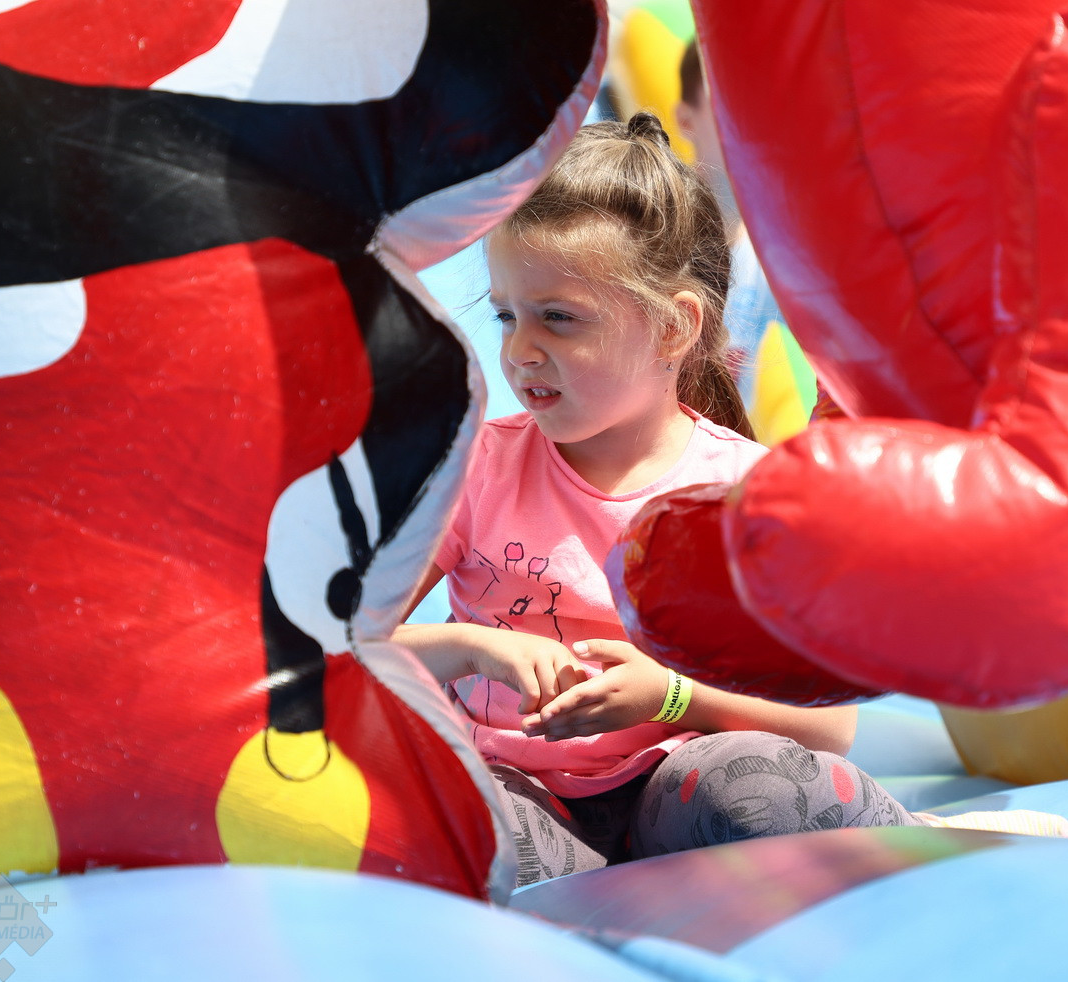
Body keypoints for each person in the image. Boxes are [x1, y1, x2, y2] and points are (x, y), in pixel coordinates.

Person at [396, 113, 936, 889]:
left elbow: (828, 723)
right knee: (440, 812)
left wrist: (671, 697)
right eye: (507, 315)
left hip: (679, 797)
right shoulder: (473, 465)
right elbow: (345, 646)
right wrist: (476, 649)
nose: (519, 350)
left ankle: (935, 845)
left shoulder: (743, 490)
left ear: (673, 327)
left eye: (559, 318)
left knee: (764, 784)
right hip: (527, 798)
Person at [674, 39, 811, 426]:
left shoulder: (773, 256)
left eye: (758, 100)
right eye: (727, 99)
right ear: (686, 121)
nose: (748, 116)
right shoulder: (644, 231)